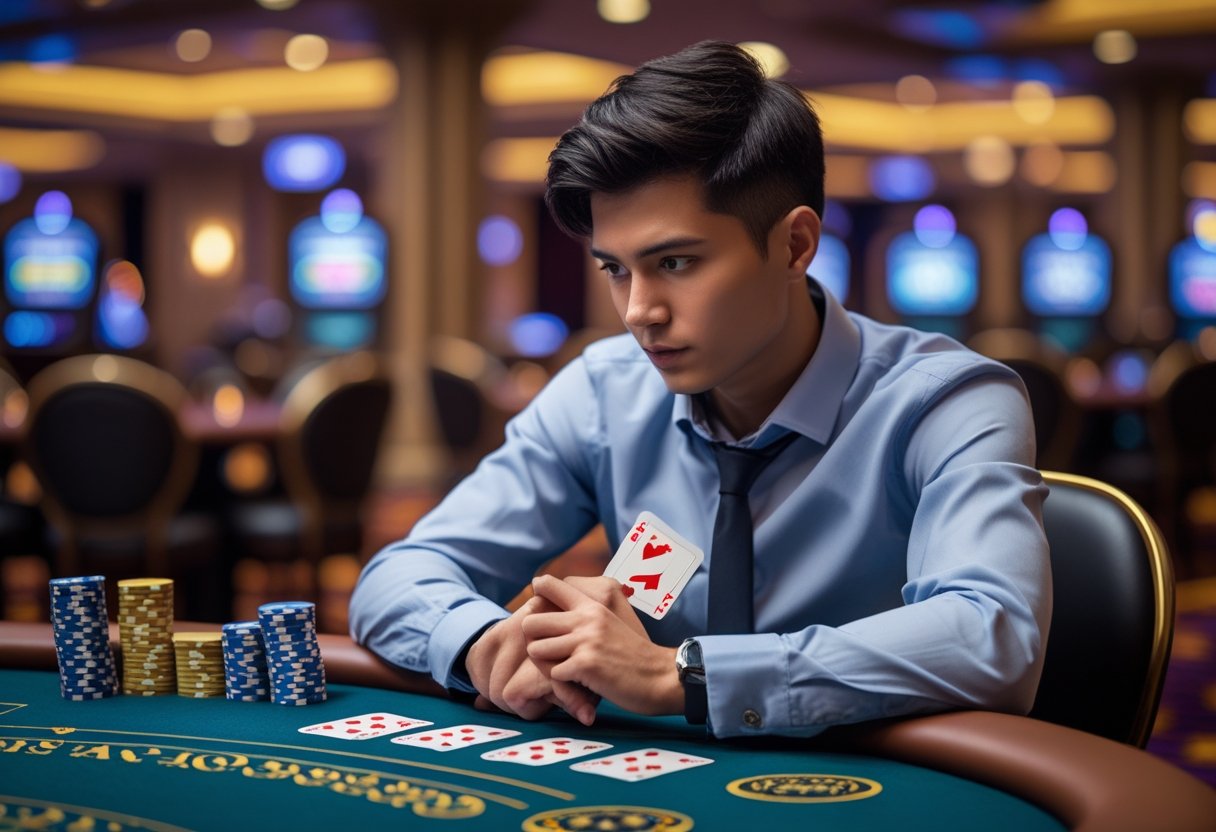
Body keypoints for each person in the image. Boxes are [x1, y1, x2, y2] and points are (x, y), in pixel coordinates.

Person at [350, 40, 1051, 739]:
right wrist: (479, 641)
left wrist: (681, 674)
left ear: (795, 245)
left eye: (676, 262)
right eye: (616, 269)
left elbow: (991, 636)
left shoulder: (947, 401)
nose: (638, 312)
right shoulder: (604, 394)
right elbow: (402, 574)